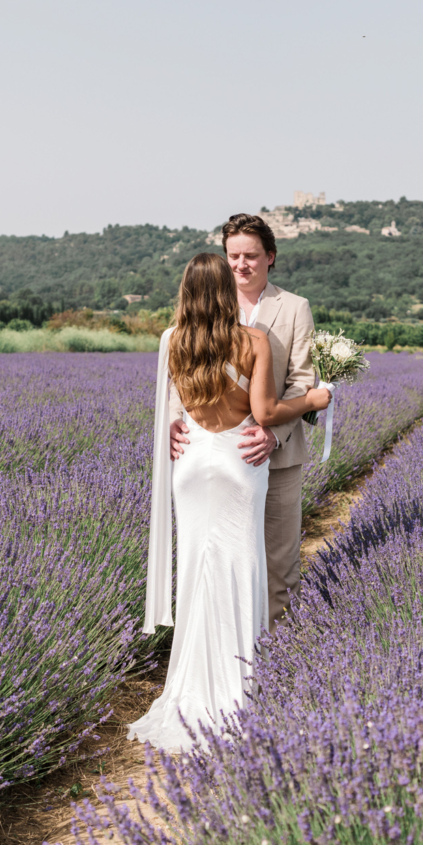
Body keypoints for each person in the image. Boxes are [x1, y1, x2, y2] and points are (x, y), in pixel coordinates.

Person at [132, 252, 331, 752]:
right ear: (224, 289)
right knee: (243, 568)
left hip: (192, 463)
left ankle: (190, 689)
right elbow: (263, 412)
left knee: (197, 573)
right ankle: (239, 689)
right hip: (240, 462)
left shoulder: (172, 341)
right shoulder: (253, 340)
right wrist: (312, 400)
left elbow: (175, 410)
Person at [169, 214, 317, 627]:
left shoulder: (294, 308)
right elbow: (177, 369)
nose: (240, 265)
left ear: (270, 257)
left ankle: (273, 657)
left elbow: (302, 381)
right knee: (218, 556)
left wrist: (273, 433)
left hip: (276, 456)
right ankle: (228, 647)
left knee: (279, 561)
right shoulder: (208, 304)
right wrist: (172, 420)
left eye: (250, 256)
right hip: (215, 454)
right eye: (233, 256)